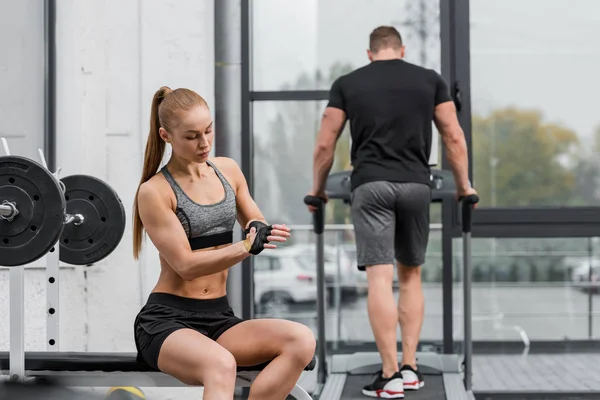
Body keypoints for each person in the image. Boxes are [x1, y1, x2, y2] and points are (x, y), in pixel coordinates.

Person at [307, 26, 478, 399]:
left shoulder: (347, 83)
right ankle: (411, 367)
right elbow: (453, 136)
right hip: (418, 186)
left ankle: (389, 375)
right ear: (401, 50)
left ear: (369, 53)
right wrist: (465, 186)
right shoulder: (430, 80)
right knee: (411, 276)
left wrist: (317, 190)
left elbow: (325, 143)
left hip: (370, 186)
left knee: (380, 280)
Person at [132, 86, 316, 400]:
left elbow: (253, 219)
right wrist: (245, 246)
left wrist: (261, 229)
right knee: (221, 365)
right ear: (166, 136)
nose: (204, 143)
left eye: (208, 131)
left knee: (301, 340)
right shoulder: (155, 191)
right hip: (166, 322)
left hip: (218, 317)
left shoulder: (227, 170)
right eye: (191, 136)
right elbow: (186, 266)